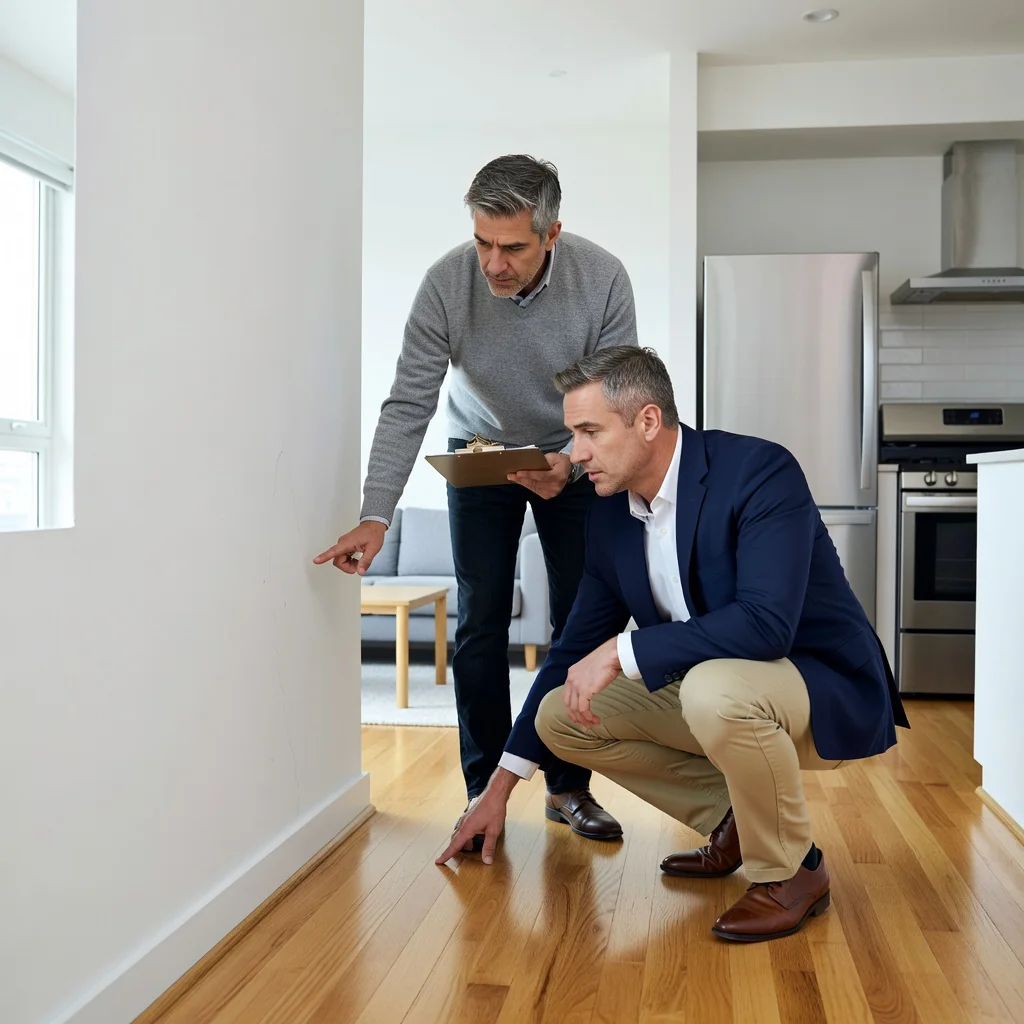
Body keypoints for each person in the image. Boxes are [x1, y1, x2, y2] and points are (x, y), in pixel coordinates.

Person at [438, 345, 909, 942]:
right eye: (571, 434)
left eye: (588, 432)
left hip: (818, 683)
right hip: (720, 691)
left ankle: (791, 872)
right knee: (564, 715)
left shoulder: (759, 471)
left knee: (713, 690)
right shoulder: (609, 516)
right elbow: (568, 652)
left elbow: (766, 625)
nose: (575, 453)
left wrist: (619, 652)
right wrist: (497, 790)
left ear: (649, 421)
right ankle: (736, 819)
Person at [315, 155, 639, 846]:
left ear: (552, 234)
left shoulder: (603, 277)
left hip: (570, 454)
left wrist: (572, 467)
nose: (493, 263)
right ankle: (479, 790)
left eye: (513, 247)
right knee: (480, 623)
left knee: (579, 625)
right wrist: (377, 515)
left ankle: (566, 786)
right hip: (480, 452)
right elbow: (408, 403)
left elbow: (614, 402)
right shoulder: (445, 284)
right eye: (483, 242)